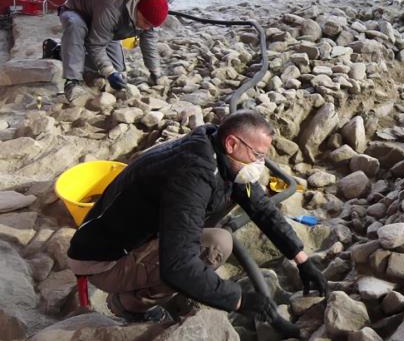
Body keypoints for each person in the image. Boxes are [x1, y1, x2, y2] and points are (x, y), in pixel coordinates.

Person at [67, 110, 327, 324]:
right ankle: (128, 305)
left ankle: (146, 285)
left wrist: (301, 259)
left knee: (208, 235)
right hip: (104, 260)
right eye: (258, 155)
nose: (260, 163)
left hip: (129, 235)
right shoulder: (192, 175)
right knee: (216, 244)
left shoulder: (219, 151)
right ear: (232, 143)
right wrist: (240, 300)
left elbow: (261, 207)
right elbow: (178, 265)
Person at [58, 0, 169, 103]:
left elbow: (149, 42)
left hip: (105, 26)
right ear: (137, 9)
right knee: (76, 26)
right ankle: (72, 81)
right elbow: (96, 46)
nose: (147, 28)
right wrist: (109, 72)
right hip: (78, 11)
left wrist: (155, 72)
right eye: (146, 23)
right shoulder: (112, 7)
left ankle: (68, 54)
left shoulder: (154, 7)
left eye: (151, 26)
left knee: (118, 70)